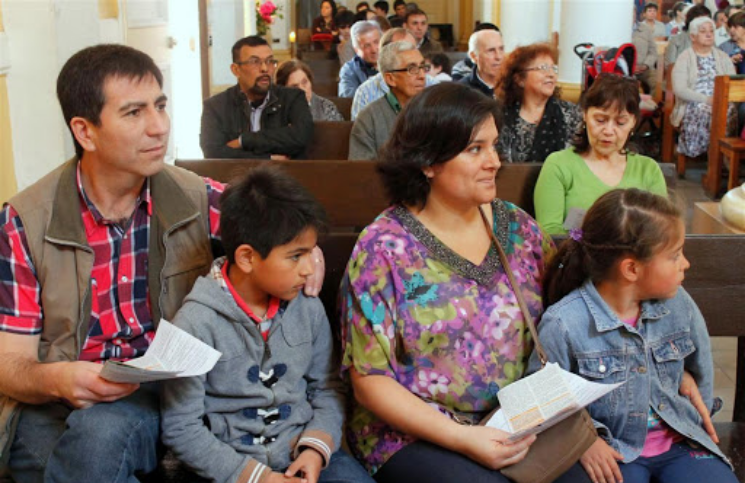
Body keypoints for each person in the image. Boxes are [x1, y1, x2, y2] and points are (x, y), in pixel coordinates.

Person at [0, 43, 326, 483]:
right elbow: (11, 364)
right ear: (85, 131)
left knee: (98, 438)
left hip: (163, 391)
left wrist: (310, 250)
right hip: (60, 396)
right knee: (55, 457)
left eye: (161, 106)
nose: (159, 128)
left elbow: (275, 225)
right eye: (134, 113)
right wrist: (57, 379)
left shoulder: (194, 196)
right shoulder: (25, 220)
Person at [340, 81, 592, 483]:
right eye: (475, 149)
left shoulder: (518, 229)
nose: (494, 161)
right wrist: (463, 438)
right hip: (415, 433)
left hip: (516, 420)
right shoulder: (384, 249)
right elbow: (370, 381)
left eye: (494, 145)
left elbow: (572, 309)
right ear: (428, 161)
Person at [161, 166, 374, 483]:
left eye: (311, 252)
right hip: (227, 467)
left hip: (302, 453)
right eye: (296, 255)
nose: (308, 269)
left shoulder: (308, 308)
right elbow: (181, 426)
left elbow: (327, 388)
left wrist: (315, 449)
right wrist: (256, 477)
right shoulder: (193, 323)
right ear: (247, 258)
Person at [534, 188, 738, 483]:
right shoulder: (564, 323)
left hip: (680, 443)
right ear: (631, 268)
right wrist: (586, 442)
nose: (685, 264)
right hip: (613, 451)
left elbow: (700, 366)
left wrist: (689, 395)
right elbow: (545, 399)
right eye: (675, 255)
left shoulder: (679, 303)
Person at [534, 74, 667, 235]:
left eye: (620, 123)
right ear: (584, 114)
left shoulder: (648, 170)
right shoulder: (559, 165)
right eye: (600, 120)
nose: (608, 131)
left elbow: (660, 232)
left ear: (633, 122)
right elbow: (550, 234)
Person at [200, 36, 313, 159]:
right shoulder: (216, 106)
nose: (265, 68)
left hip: (285, 176)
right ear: (236, 70)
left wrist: (244, 141)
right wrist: (268, 158)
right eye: (255, 62)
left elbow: (300, 137)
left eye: (270, 61)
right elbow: (213, 153)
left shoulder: (293, 98)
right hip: (233, 177)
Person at [496, 43, 582, 163]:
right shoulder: (500, 115)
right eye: (543, 68)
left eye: (554, 68)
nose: (551, 75)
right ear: (520, 79)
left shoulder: (572, 114)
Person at [671, 16, 736, 158]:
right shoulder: (685, 58)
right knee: (702, 111)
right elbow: (680, 89)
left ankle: (724, 155)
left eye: (711, 31)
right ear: (693, 36)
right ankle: (713, 155)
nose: (708, 34)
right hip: (695, 101)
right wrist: (706, 99)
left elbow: (732, 82)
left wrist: (720, 100)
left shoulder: (723, 57)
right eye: (703, 31)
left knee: (731, 110)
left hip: (721, 99)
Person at [349, 41, 426, 160]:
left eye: (422, 67)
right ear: (390, 79)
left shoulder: (437, 110)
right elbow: (361, 171)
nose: (422, 75)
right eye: (412, 69)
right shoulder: (369, 117)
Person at [350, 27, 437, 120]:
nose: (421, 75)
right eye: (401, 49)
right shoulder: (365, 92)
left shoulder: (434, 87)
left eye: (413, 48)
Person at [276, 59, 345, 121]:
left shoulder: (327, 108)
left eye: (304, 82)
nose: (302, 90)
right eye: (294, 86)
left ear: (310, 81)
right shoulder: (275, 112)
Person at [338, 21, 382, 98]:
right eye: (367, 46)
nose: (374, 50)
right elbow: (347, 97)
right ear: (356, 50)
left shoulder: (394, 63)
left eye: (376, 42)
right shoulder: (349, 69)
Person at [459, 29, 505, 99]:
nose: (498, 57)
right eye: (491, 50)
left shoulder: (516, 86)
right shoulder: (462, 91)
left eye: (501, 49)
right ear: (474, 56)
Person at [633, 21, 659, 94]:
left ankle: (652, 104)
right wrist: (630, 67)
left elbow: (653, 52)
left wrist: (646, 65)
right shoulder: (618, 29)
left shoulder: (645, 29)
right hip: (625, 70)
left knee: (656, 83)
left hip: (644, 67)